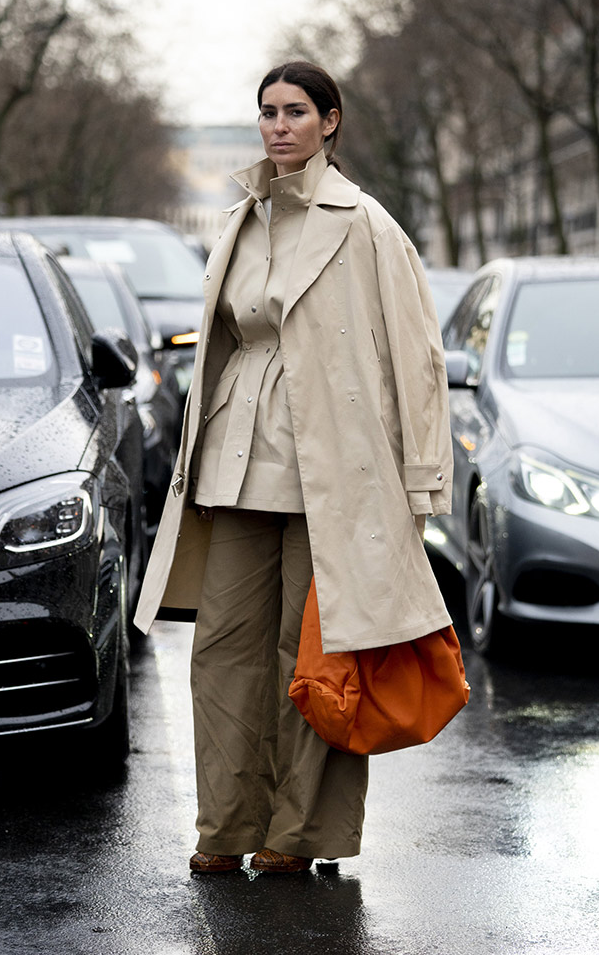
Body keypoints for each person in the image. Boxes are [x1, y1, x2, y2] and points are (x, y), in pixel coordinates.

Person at [134, 61, 454, 874]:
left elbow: (416, 358)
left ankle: (296, 834)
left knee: (309, 656)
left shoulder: (366, 224)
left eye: (296, 112)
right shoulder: (239, 219)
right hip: (234, 461)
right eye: (268, 112)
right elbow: (228, 342)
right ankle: (225, 824)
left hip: (333, 469)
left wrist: (422, 483)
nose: (279, 125)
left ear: (330, 122)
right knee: (224, 647)